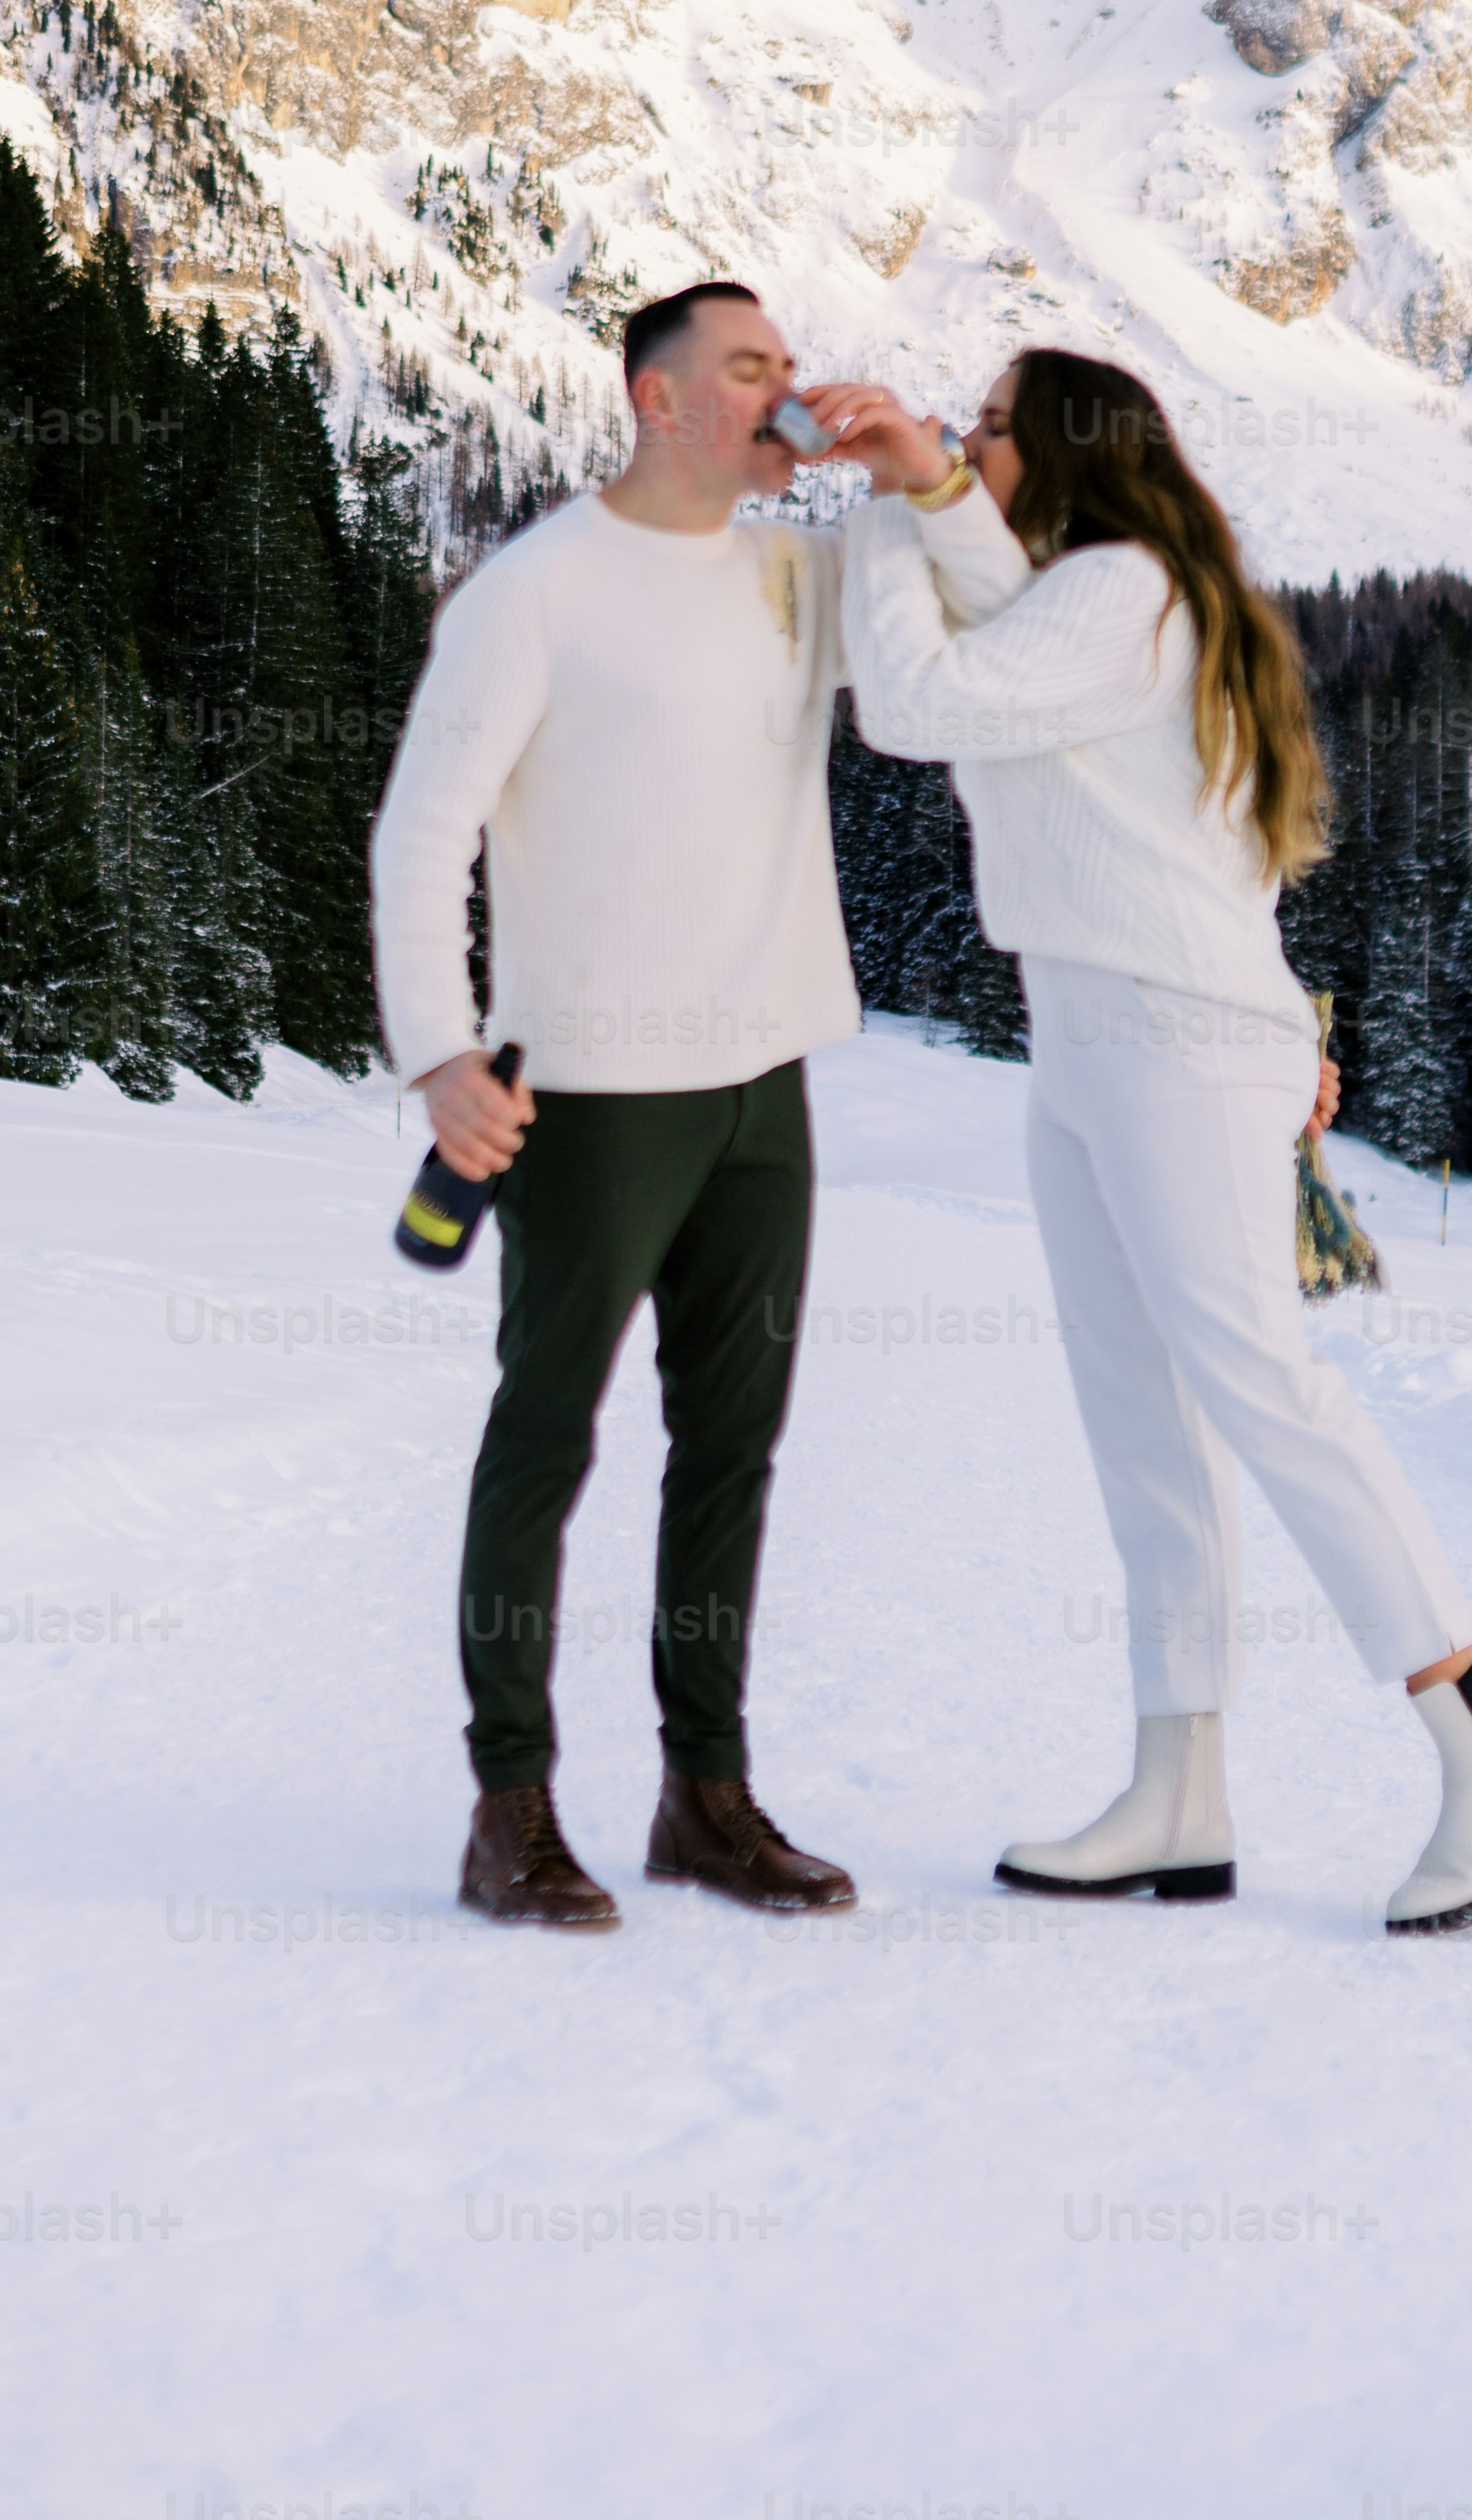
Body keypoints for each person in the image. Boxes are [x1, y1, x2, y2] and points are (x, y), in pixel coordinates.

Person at [814, 348, 1472, 1936]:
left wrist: (892, 502)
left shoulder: (1126, 589)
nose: (965, 439)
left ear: (1069, 453)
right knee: (1141, 1419)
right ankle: (1180, 1794)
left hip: (1175, 1037)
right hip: (1093, 1037)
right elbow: (987, 611)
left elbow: (912, 702)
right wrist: (934, 491)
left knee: (1263, 1388)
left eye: (989, 425)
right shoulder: (1085, 593)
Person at [368, 282, 1003, 1930]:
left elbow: (982, 634)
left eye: (791, 366)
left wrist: (919, 473)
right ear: (659, 400)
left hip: (764, 1087)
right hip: (590, 1098)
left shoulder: (801, 563)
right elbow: (422, 834)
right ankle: (509, 1810)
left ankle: (702, 1799)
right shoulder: (539, 592)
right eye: (750, 369)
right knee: (543, 1444)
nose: (785, 391)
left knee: (731, 1453)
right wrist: (442, 1056)